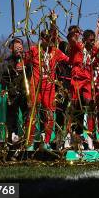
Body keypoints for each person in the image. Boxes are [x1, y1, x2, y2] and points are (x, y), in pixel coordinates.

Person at [23, 11, 70, 150]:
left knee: (49, 114)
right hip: (35, 85)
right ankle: (29, 141)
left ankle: (47, 141)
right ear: (41, 38)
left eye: (50, 38)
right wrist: (20, 65)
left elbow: (70, 60)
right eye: (45, 38)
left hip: (49, 86)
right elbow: (23, 63)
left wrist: (53, 21)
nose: (48, 40)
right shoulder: (33, 50)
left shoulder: (56, 51)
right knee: (33, 112)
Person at [66, 18, 99, 150]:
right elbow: (70, 39)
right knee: (74, 106)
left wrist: (98, 27)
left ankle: (90, 135)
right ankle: (70, 135)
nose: (93, 43)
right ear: (85, 39)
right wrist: (75, 32)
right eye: (90, 40)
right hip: (76, 79)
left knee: (91, 104)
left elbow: (98, 42)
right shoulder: (78, 46)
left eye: (93, 40)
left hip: (88, 80)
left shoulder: (93, 51)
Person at [0, 37, 29, 144]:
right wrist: (3, 89)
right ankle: (13, 134)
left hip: (25, 92)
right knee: (12, 114)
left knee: (27, 114)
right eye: (15, 46)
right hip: (13, 91)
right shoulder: (8, 61)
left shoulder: (27, 59)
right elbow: (4, 77)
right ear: (11, 48)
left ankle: (28, 134)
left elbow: (33, 71)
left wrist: (25, 67)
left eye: (20, 46)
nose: (18, 48)